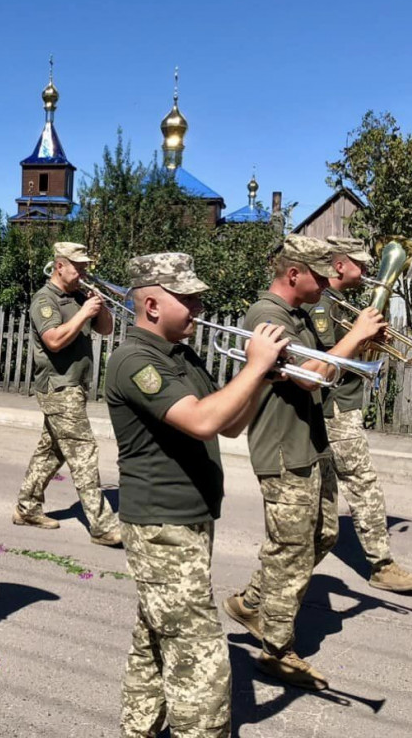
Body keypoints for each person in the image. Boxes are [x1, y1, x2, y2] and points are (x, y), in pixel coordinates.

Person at [107, 253, 289, 738]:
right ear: (150, 304)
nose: (197, 304)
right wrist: (254, 365)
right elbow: (201, 420)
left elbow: (228, 425)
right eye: (185, 297)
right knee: (200, 658)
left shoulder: (180, 357)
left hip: (190, 519)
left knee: (155, 636)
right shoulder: (133, 361)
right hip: (161, 524)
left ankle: (138, 728)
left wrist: (260, 381)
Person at [223, 235, 385, 690]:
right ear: (293, 274)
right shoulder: (267, 316)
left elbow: (331, 368)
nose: (327, 281)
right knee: (291, 549)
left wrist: (365, 344)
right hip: (283, 448)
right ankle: (276, 649)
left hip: (310, 441)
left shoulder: (297, 315)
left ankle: (255, 601)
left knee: (324, 534)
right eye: (319, 275)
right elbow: (310, 378)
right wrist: (354, 336)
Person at [311, 236, 412, 592]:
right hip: (335, 410)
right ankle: (381, 564)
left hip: (339, 407)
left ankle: (279, 576)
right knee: (363, 485)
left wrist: (374, 340)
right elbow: (331, 364)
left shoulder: (338, 302)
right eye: (360, 265)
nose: (367, 272)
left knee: (325, 505)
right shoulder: (322, 306)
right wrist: (361, 339)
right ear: (340, 265)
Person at [13, 241, 122, 546]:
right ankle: (102, 526)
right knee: (84, 453)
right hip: (58, 386)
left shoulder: (77, 296)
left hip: (74, 385)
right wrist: (83, 312)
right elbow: (55, 341)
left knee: (51, 452)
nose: (83, 273)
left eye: (86, 267)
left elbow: (105, 330)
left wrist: (99, 307)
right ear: (60, 266)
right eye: (78, 267)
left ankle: (27, 507)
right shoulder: (44, 300)